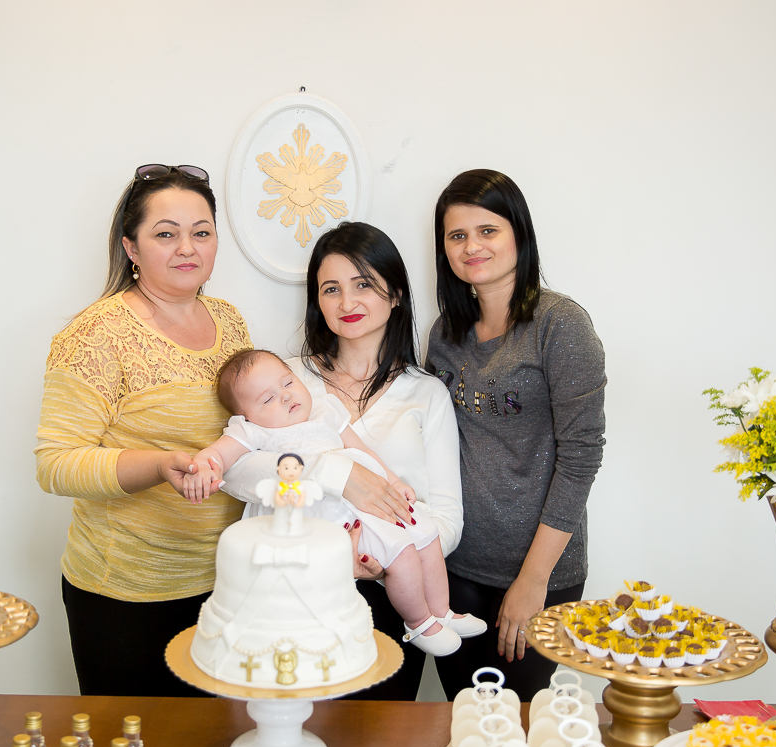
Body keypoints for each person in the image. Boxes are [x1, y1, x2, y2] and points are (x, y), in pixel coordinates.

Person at [221, 221, 465, 699]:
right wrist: (339, 477)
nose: (347, 303)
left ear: (395, 293)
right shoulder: (287, 380)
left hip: (400, 599)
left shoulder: (426, 393)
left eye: (364, 285)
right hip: (300, 594)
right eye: (331, 289)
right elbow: (236, 471)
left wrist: (388, 552)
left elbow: (447, 515)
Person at [34, 164, 252, 697]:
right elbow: (54, 464)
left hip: (226, 585)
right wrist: (156, 466)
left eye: (202, 232)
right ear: (131, 247)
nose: (187, 247)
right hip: (124, 597)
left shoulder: (231, 322)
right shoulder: (95, 334)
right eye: (165, 234)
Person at [425, 169, 607, 699]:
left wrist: (532, 582)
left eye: (488, 230)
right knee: (464, 719)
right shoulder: (445, 334)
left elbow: (581, 458)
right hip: (455, 566)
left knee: (521, 730)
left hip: (538, 572)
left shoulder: (560, 325)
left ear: (518, 235)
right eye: (457, 236)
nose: (472, 247)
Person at [184, 348, 485, 655]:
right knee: (404, 553)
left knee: (428, 533)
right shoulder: (255, 432)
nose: (286, 397)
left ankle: (441, 611)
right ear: (246, 416)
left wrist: (394, 482)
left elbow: (363, 452)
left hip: (370, 500)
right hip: (328, 516)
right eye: (268, 399)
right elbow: (219, 456)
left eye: (288, 384)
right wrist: (204, 468)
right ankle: (420, 624)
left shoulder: (326, 411)